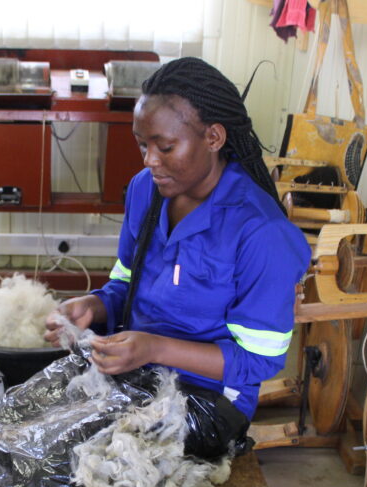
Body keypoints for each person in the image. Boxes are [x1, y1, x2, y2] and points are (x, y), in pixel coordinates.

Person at [46, 56, 311, 442]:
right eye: (142, 145)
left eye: (165, 147)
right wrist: (94, 305)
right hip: (135, 373)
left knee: (41, 465)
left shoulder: (261, 233)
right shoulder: (145, 190)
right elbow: (127, 284)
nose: (150, 161)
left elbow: (259, 360)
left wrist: (153, 348)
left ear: (214, 138)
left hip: (208, 402)